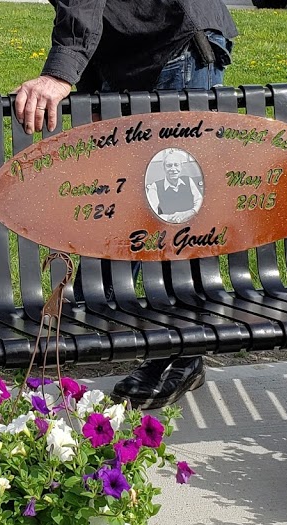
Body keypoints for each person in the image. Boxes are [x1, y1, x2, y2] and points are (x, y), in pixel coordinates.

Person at [13, 0, 236, 409]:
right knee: (139, 204)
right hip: (139, 49)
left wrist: (59, 72)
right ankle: (156, 337)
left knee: (171, 210)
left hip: (172, 42)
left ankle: (178, 357)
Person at [146, 148, 204, 224]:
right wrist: (168, 218)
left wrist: (189, 213)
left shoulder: (188, 180)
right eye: (169, 165)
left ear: (181, 167)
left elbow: (199, 201)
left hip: (193, 224)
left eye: (176, 165)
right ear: (164, 168)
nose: (173, 169)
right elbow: (152, 213)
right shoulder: (155, 187)